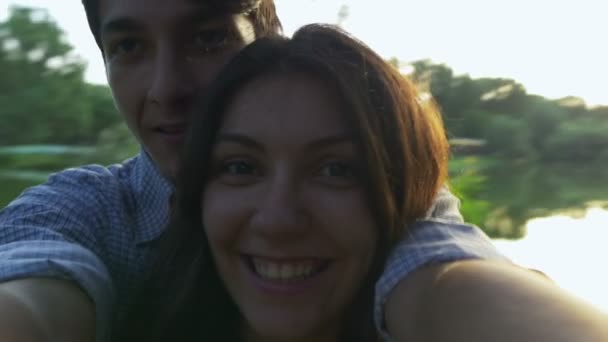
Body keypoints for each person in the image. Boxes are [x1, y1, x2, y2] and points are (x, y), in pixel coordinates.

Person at [0, 1, 507, 341]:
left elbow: (444, 278)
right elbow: (33, 287)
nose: (166, 89)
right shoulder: (86, 212)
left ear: (268, 41)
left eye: (207, 37)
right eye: (130, 47)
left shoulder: (384, 192)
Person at [118, 24, 608, 342]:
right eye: (241, 167)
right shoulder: (126, 312)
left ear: (398, 194)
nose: (279, 220)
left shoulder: (427, 280)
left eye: (336, 170)